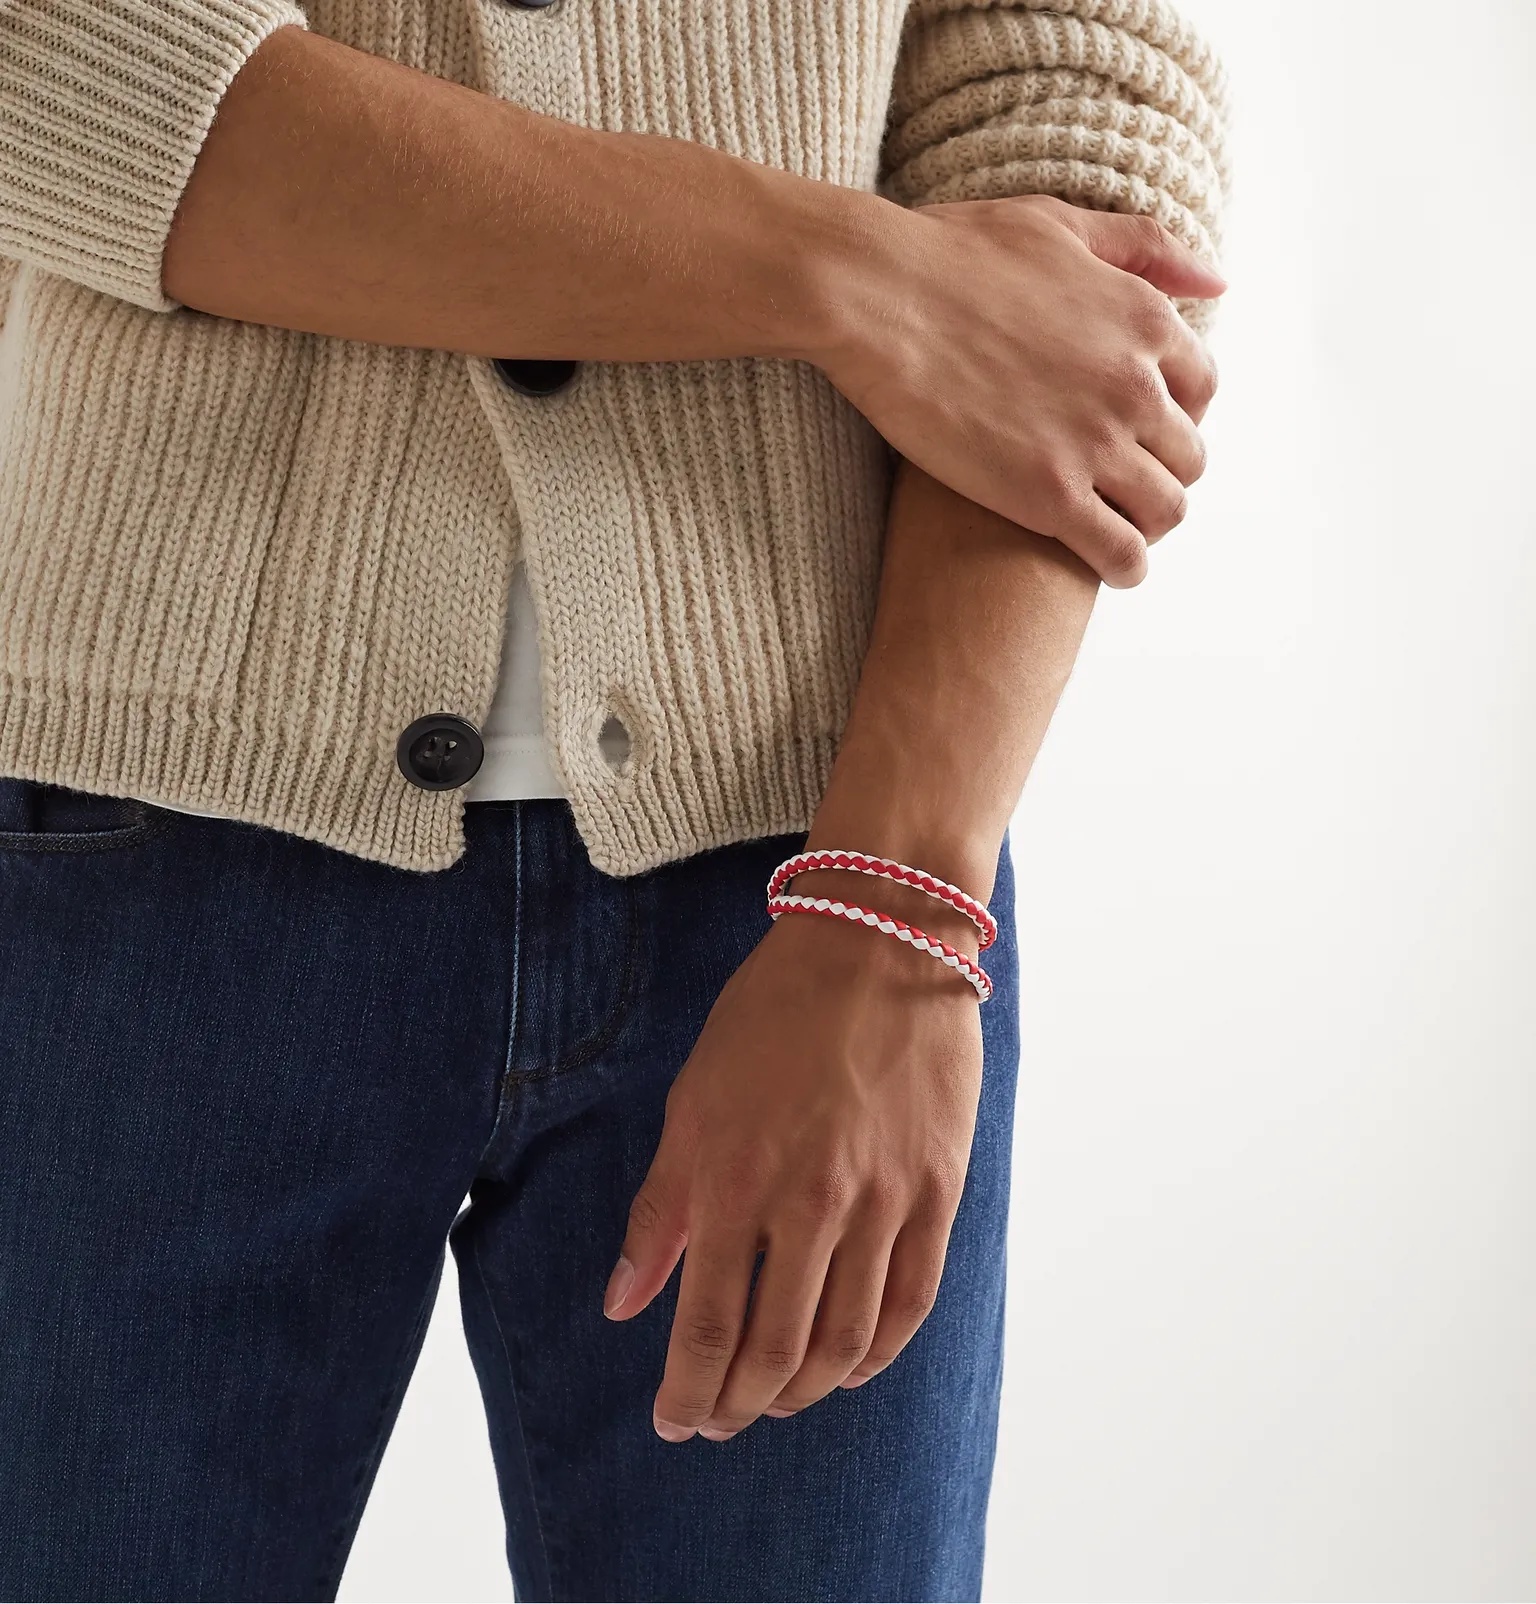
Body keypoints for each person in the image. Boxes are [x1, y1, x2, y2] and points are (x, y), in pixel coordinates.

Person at [0, 2, 1229, 1599]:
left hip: (818, 861)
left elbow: (1077, 124)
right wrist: (853, 281)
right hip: (148, 830)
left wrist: (895, 899)